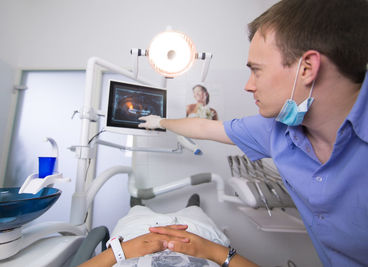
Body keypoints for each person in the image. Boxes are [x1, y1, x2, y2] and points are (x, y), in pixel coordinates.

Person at [138, 0, 368, 266]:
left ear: (306, 68)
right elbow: (203, 127)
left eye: (256, 71)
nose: (248, 86)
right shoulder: (276, 131)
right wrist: (161, 122)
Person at [79, 194, 257, 267]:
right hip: (199, 237)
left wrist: (120, 251)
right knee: (194, 213)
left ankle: (138, 205)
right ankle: (192, 207)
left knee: (137, 212)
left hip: (135, 237)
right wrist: (212, 250)